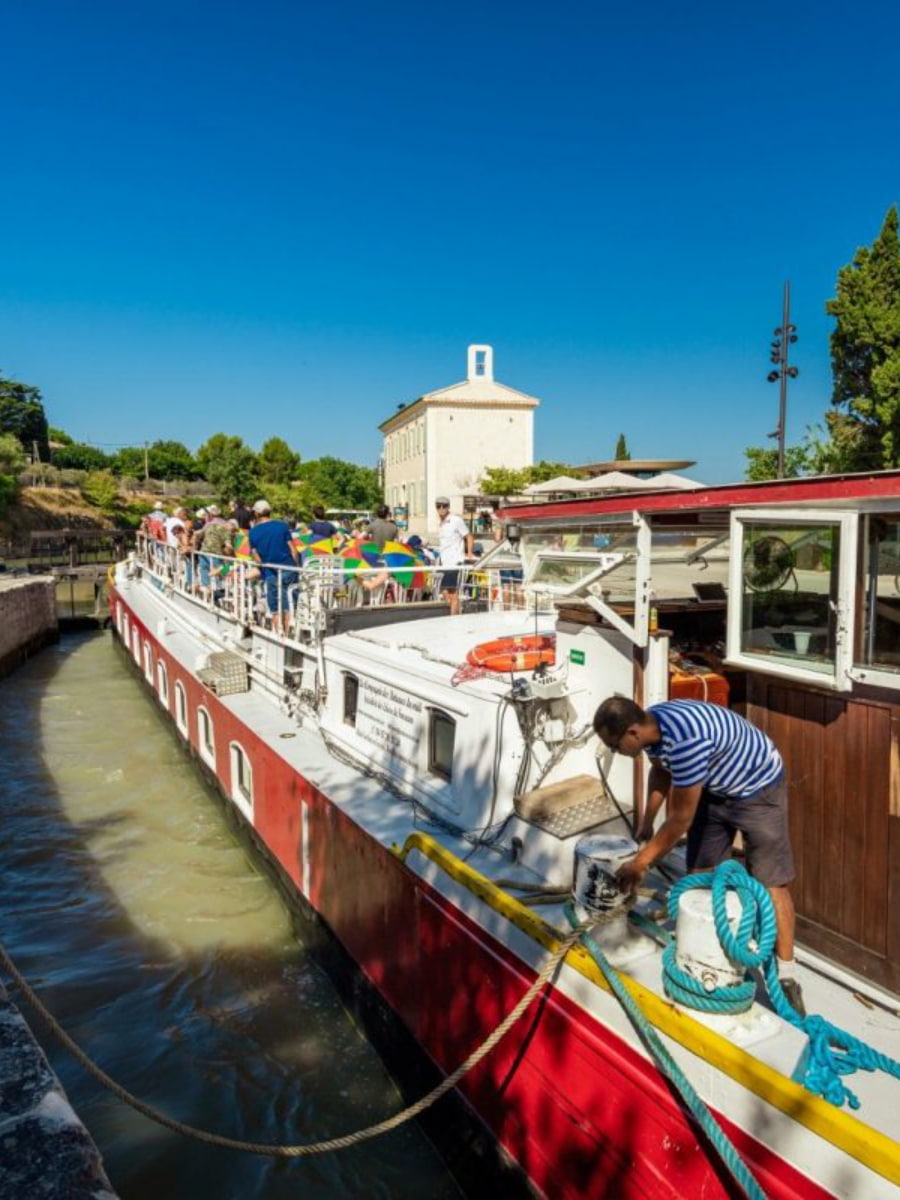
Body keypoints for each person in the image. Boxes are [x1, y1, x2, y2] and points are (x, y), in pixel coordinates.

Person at [593, 696, 805, 1015]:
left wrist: (640, 863)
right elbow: (661, 772)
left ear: (633, 732)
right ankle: (697, 954)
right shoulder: (654, 728)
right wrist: (647, 822)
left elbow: (681, 820)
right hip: (715, 788)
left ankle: (787, 977)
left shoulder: (688, 742)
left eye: (614, 745)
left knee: (771, 884)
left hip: (757, 789)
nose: (615, 752)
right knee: (699, 875)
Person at [248, 500, 300, 632]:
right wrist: (296, 567)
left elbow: (256, 556)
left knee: (276, 608)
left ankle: (279, 632)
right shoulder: (282, 526)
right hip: (289, 568)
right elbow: (293, 550)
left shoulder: (253, 532)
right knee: (290, 603)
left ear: (257, 513)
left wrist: (262, 567)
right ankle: (290, 632)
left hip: (270, 571)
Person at [434, 497, 474, 616]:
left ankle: (453, 619)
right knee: (445, 592)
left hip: (454, 561)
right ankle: (454, 616)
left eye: (444, 506)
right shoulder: (441, 523)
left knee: (452, 593)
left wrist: (469, 553)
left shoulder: (455, 520)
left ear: (448, 507)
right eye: (439, 506)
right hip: (445, 562)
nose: (441, 508)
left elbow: (469, 536)